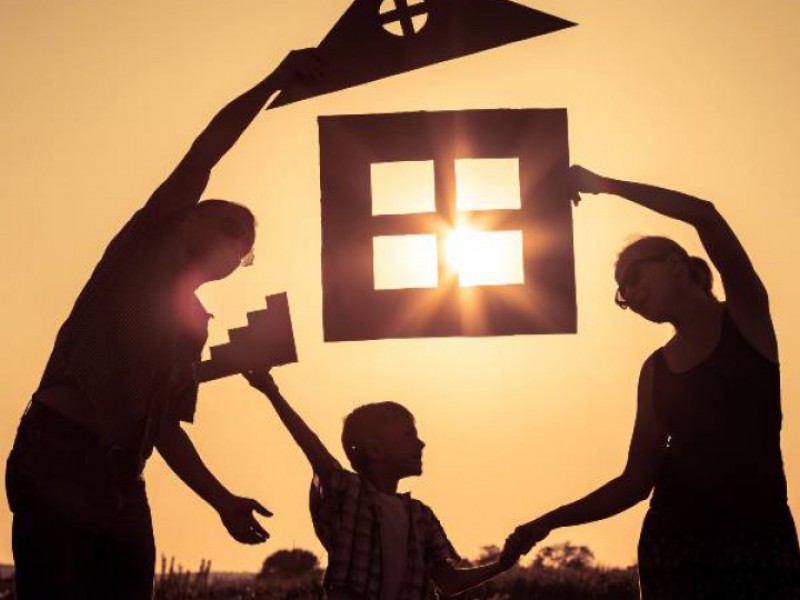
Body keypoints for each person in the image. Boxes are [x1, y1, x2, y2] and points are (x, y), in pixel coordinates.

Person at [5, 49, 323, 599]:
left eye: (247, 247)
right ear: (192, 219)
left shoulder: (192, 327)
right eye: (231, 227)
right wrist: (274, 80)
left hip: (123, 480)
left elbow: (165, 428)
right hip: (58, 454)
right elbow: (205, 152)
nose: (238, 244)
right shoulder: (141, 250)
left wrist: (221, 499)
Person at [510, 166, 800, 598]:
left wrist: (605, 185)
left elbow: (705, 215)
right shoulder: (654, 372)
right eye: (621, 294)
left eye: (633, 277)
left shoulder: (747, 319)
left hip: (758, 543)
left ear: (675, 265)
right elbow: (635, 481)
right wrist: (548, 520)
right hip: (673, 549)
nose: (629, 295)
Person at [244, 369, 521, 600]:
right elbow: (312, 446)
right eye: (408, 435)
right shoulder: (346, 492)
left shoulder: (421, 516)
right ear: (375, 449)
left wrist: (502, 565)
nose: (420, 443)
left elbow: (447, 581)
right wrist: (272, 392)